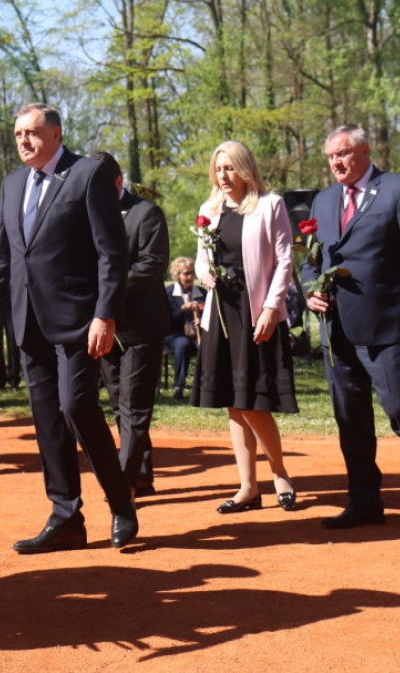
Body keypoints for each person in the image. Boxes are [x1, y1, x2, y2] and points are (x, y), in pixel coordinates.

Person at [0, 103, 137, 553]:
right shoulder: (12, 184)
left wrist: (105, 314)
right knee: (47, 417)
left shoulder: (87, 174)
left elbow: (111, 252)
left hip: (78, 320)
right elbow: (3, 257)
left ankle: (121, 503)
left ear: (56, 134)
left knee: (75, 406)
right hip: (27, 320)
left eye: (31, 133)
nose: (23, 141)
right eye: (17, 135)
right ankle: (66, 517)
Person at [303, 124, 400, 528]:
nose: (336, 163)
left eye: (343, 154)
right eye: (330, 157)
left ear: (364, 151)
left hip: (388, 326)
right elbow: (311, 261)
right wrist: (310, 288)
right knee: (350, 418)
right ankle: (364, 501)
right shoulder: (323, 200)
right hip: (336, 329)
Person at [190, 141, 298, 513]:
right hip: (221, 313)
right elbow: (201, 260)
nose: (223, 175)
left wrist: (271, 308)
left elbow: (284, 261)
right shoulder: (208, 210)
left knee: (254, 402)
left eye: (230, 168)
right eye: (218, 169)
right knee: (234, 405)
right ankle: (248, 487)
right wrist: (205, 275)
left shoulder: (270, 205)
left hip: (255, 313)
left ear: (246, 169)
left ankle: (280, 473)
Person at [96, 152, 170, 500]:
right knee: (119, 404)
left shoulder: (146, 213)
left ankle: (121, 486)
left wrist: (104, 288)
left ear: (118, 183)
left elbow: (151, 266)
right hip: (105, 325)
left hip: (141, 326)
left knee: (133, 406)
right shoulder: (90, 216)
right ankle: (140, 477)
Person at [165, 256, 205, 401]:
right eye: (186, 273)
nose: (190, 277)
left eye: (192, 273)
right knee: (183, 344)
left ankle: (204, 387)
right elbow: (166, 319)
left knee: (206, 346)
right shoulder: (169, 293)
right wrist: (183, 308)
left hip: (196, 335)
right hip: (174, 335)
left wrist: (202, 320)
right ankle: (179, 387)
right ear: (177, 275)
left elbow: (210, 315)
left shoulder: (202, 293)